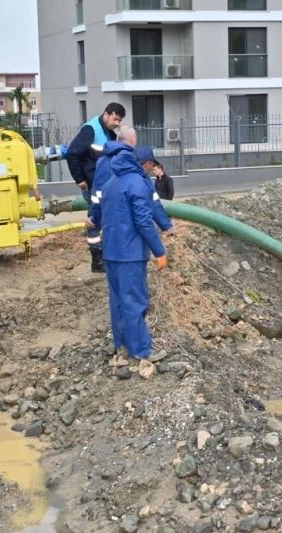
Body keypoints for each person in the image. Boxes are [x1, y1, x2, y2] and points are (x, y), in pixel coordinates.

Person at [100, 126, 168, 375]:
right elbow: (143, 221)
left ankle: (122, 348)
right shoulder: (137, 184)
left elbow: (99, 215)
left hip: (110, 253)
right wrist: (159, 251)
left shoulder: (110, 182)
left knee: (117, 301)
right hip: (130, 254)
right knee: (135, 301)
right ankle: (141, 351)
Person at [66, 102, 126, 272]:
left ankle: (105, 257)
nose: (117, 123)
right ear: (106, 114)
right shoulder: (91, 129)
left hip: (103, 185)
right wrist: (79, 179)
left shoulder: (109, 132)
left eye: (119, 121)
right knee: (94, 221)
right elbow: (72, 153)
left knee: (104, 221)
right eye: (115, 119)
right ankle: (97, 261)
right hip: (93, 185)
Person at [87, 128, 174, 236]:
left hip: (109, 222)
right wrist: (166, 225)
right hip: (128, 224)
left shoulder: (102, 161)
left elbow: (97, 194)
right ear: (133, 140)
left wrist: (94, 217)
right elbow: (151, 200)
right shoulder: (133, 161)